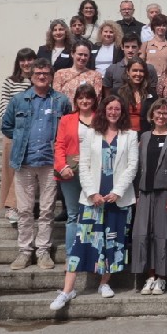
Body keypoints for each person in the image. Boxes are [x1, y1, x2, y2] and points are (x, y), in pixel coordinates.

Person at [48, 95, 138, 309]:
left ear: (122, 112)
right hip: (92, 200)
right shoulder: (91, 133)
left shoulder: (130, 135)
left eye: (117, 109)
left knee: (113, 242)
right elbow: (84, 165)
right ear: (104, 110)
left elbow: (132, 166)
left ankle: (104, 283)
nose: (113, 112)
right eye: (110, 108)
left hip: (118, 200)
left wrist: (117, 192)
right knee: (81, 243)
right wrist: (91, 193)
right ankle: (67, 291)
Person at [2, 58, 72, 270]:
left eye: (46, 73)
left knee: (47, 210)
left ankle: (43, 251)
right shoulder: (19, 100)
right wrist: (22, 140)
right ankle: (25, 251)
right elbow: (7, 126)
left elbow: (67, 128)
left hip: (50, 163)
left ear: (51, 77)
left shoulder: (60, 101)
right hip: (24, 162)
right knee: (24, 210)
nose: (42, 76)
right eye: (38, 73)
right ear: (31, 77)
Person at [132, 99, 167, 295]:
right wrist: (137, 193)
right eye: (158, 112)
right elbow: (139, 166)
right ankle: (150, 276)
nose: (161, 116)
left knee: (164, 234)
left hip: (165, 192)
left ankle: (162, 277)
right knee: (144, 234)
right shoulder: (145, 136)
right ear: (152, 114)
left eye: (165, 113)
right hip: (145, 191)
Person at [54, 84, 97, 255]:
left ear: (94, 100)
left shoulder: (100, 119)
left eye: (88, 97)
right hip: (70, 172)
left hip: (93, 172)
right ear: (76, 100)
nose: (84, 101)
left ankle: (89, 253)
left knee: (91, 213)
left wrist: (88, 157)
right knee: (73, 214)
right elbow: (59, 145)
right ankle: (71, 255)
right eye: (81, 98)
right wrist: (62, 166)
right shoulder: (67, 119)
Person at [0, 48, 37, 224]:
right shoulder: (10, 82)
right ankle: (10, 207)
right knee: (9, 170)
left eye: (29, 59)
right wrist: (13, 126)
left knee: (23, 169)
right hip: (12, 132)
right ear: (18, 62)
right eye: (23, 60)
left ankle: (15, 206)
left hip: (33, 133)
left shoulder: (39, 80)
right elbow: (3, 107)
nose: (26, 63)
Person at [114, 58, 157, 136]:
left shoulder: (152, 94)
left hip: (144, 135)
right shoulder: (117, 93)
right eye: (135, 70)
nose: (138, 74)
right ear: (128, 72)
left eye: (141, 71)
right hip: (122, 134)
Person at [140, 13, 167, 79]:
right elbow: (140, 63)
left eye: (164, 25)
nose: (161, 28)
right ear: (153, 27)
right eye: (158, 25)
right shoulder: (145, 45)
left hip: (166, 80)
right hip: (149, 80)